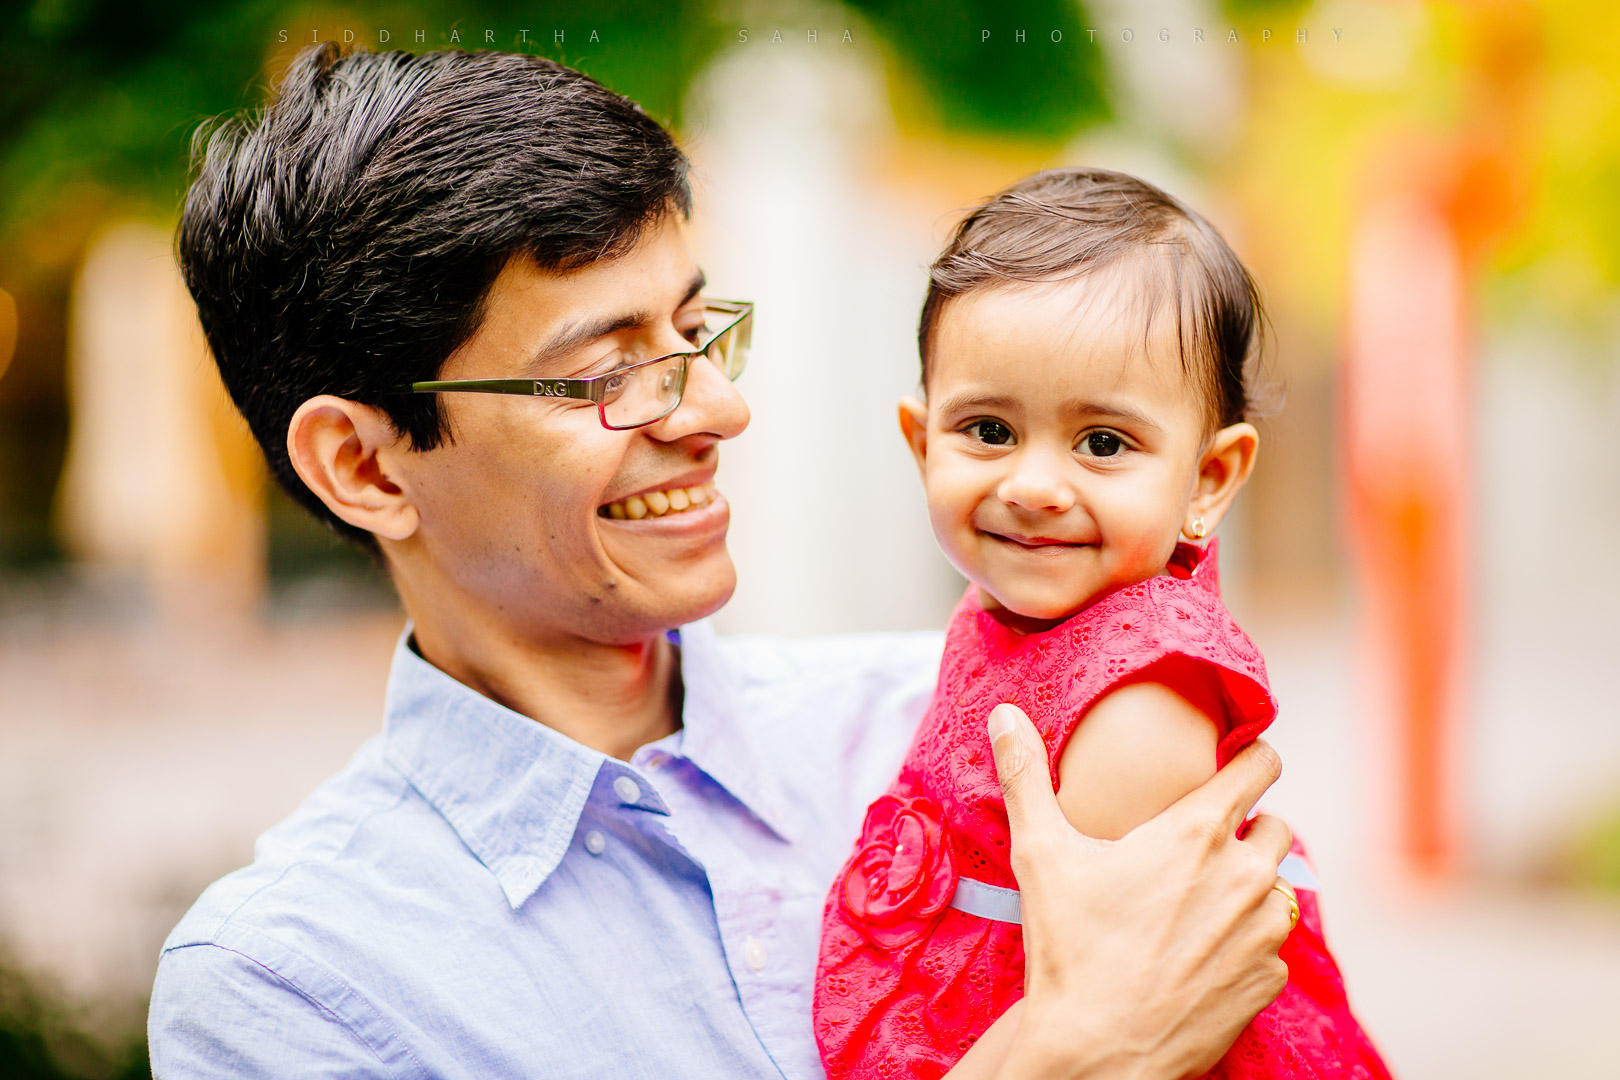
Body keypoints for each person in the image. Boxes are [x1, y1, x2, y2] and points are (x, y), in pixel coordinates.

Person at [147, 46, 1300, 1079]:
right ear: (366, 465)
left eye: (694, 334)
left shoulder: (995, 730)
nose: (718, 409)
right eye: (607, 371)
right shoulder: (292, 989)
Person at [813, 170, 1392, 1079]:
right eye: (990, 431)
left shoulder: (1142, 701)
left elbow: (1112, 1011)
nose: (1035, 487)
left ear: (1208, 479)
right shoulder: (1022, 607)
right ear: (921, 441)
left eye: (1103, 443)